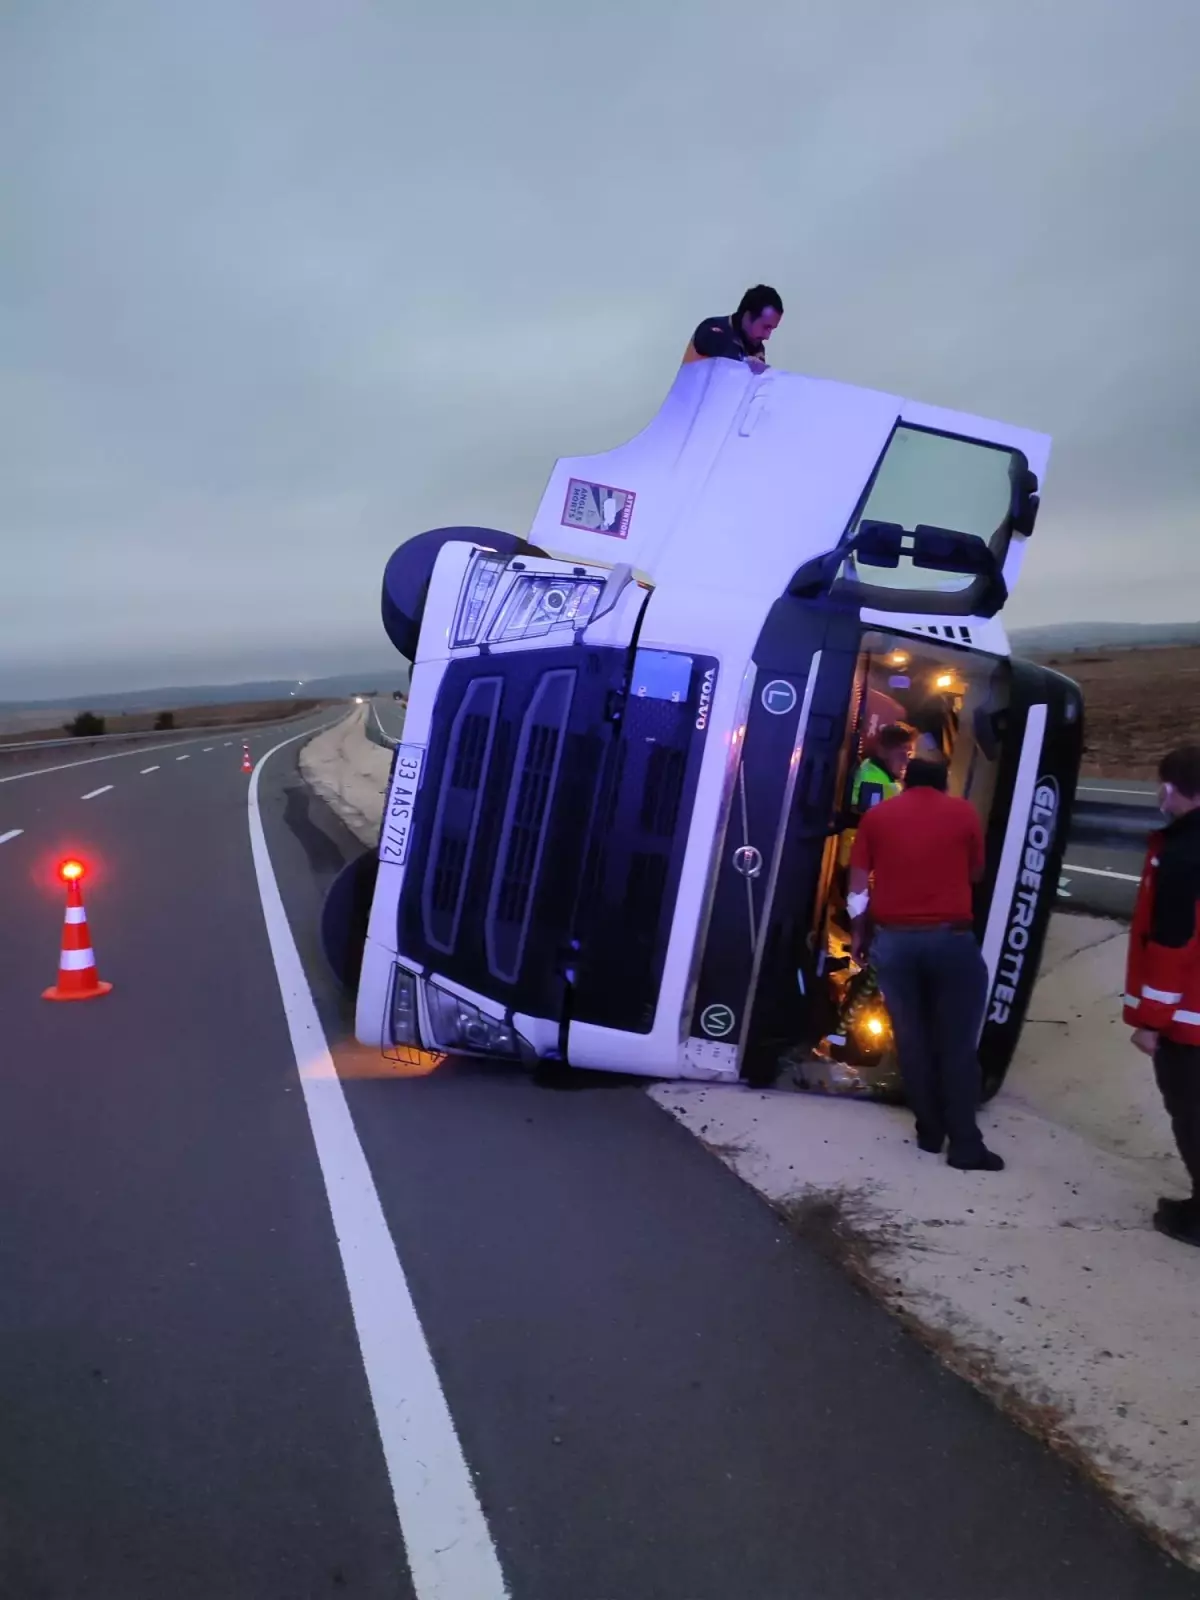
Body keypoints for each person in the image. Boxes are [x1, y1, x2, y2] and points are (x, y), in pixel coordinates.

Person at [848, 755, 1000, 1170]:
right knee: (956, 1043)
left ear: (905, 781)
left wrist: (860, 932)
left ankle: (930, 1132)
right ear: (943, 783)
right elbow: (977, 871)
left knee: (911, 1040)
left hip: (894, 943)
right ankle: (966, 1145)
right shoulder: (963, 813)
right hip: (950, 941)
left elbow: (858, 885)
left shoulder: (877, 817)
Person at [1123, 743, 1200, 1247]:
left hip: (1188, 1022)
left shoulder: (1183, 852)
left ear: (1172, 789)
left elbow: (1172, 942)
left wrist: (1151, 1021)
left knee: (1191, 1113)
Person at [682, 285, 783, 375]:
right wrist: (745, 361)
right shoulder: (711, 327)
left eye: (771, 329)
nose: (767, 336)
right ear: (748, 316)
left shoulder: (756, 347)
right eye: (766, 327)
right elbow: (720, 348)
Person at [850, 723, 917, 814]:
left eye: (909, 755)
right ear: (882, 752)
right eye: (901, 754)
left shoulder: (872, 766)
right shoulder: (873, 780)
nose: (906, 761)